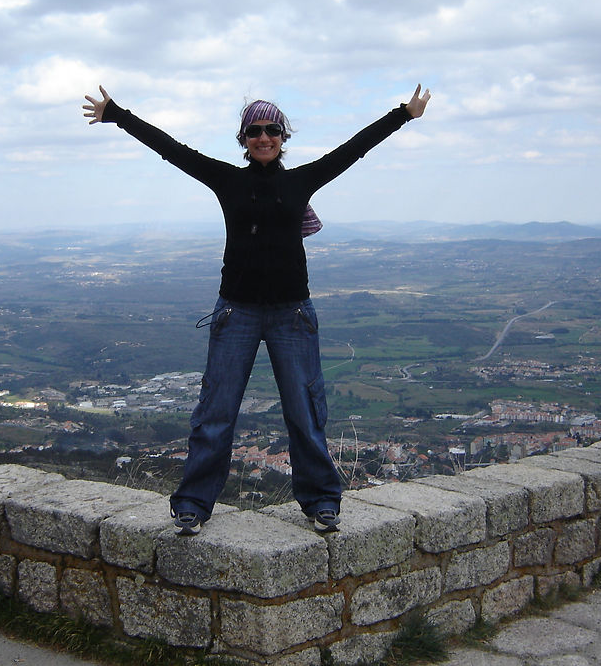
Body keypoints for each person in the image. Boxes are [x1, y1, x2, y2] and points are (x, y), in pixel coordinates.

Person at [83, 84, 431, 534]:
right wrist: (117, 114)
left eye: (271, 130)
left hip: (292, 314)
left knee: (305, 412)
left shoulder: (300, 180)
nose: (263, 138)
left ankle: (321, 501)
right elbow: (171, 150)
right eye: (254, 131)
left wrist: (404, 113)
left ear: (283, 136)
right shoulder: (228, 180)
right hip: (237, 313)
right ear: (243, 139)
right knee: (216, 410)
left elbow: (355, 149)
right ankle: (192, 504)